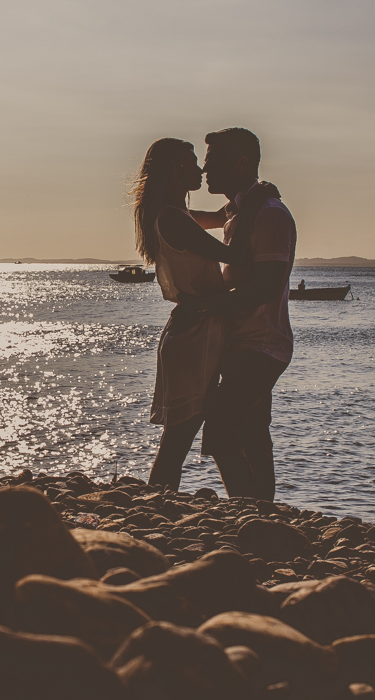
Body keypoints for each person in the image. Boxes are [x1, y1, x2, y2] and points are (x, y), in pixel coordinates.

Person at [132, 138, 276, 492]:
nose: (201, 170)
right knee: (179, 439)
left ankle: (245, 505)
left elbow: (224, 217)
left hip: (200, 328)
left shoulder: (177, 216)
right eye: (192, 162)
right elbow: (239, 254)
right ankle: (161, 508)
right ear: (175, 171)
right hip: (193, 333)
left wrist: (248, 201)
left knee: (195, 434)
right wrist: (256, 200)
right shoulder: (172, 219)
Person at [178, 127, 298, 501]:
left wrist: (205, 307)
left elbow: (265, 287)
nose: (205, 171)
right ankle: (261, 512)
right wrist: (162, 207)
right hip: (242, 341)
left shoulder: (270, 215)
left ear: (241, 163)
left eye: (212, 162)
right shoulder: (239, 211)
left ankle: (248, 510)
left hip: (262, 344)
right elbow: (195, 220)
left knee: (220, 431)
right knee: (252, 433)